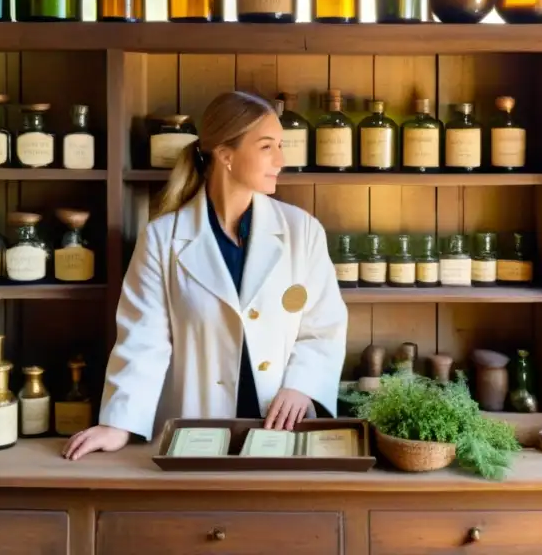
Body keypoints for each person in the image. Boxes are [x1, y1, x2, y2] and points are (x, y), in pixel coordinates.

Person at [63, 91, 348, 460]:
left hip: (280, 429)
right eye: (267, 147)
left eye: (280, 145)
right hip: (195, 435)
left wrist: (301, 386)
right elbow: (143, 338)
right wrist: (118, 423)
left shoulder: (302, 231)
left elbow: (323, 325)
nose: (281, 159)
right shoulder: (163, 238)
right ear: (225, 155)